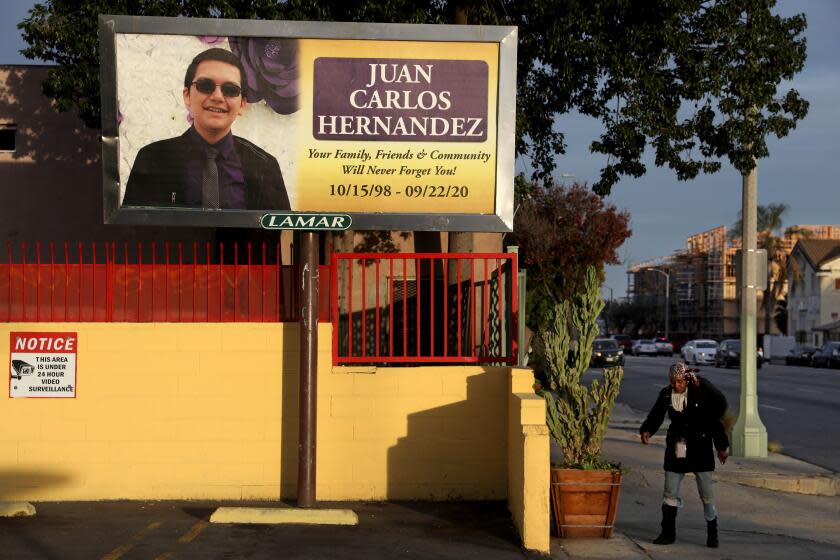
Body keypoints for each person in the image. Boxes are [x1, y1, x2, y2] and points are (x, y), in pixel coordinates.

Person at [123, 48, 290, 210]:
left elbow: (281, 235)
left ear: (242, 105)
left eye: (230, 90)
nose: (217, 97)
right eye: (205, 85)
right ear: (187, 95)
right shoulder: (152, 160)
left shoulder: (265, 167)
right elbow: (133, 234)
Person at [640, 362, 729, 548]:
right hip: (677, 447)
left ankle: (712, 533)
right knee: (670, 491)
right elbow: (656, 414)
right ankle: (667, 533)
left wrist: (721, 446)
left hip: (701, 448)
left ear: (686, 380)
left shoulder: (700, 391)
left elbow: (718, 411)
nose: (676, 385)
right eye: (673, 382)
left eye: (679, 382)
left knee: (707, 494)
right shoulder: (667, 393)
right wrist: (647, 429)